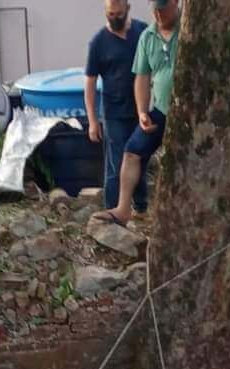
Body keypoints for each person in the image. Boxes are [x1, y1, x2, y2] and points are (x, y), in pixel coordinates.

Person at [93, 0, 180, 228]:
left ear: (175, 3)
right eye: (155, 10)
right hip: (161, 111)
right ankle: (123, 209)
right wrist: (142, 111)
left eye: (163, 9)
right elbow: (142, 77)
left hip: (188, 114)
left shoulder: (189, 31)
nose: (158, 15)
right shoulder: (147, 36)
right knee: (131, 151)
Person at [85, 1, 148, 217]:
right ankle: (112, 209)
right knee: (117, 163)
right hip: (114, 113)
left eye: (118, 14)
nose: (114, 18)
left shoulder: (142, 32)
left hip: (141, 110)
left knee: (139, 158)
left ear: (127, 9)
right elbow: (90, 83)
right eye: (110, 14)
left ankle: (141, 206)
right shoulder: (98, 42)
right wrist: (92, 120)